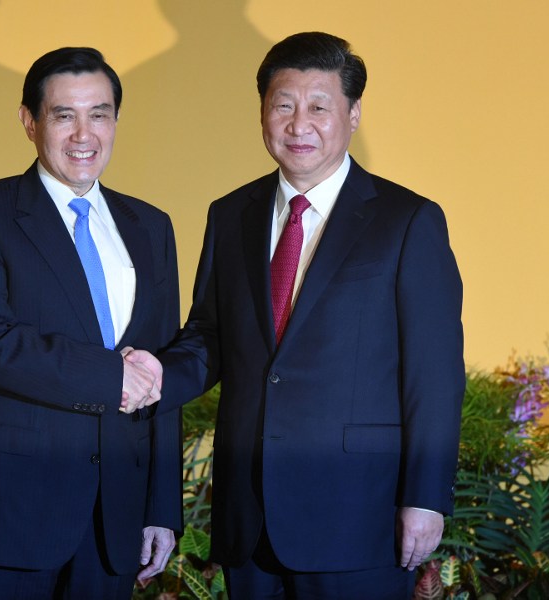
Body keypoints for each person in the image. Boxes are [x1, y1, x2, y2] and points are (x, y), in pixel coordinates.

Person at [132, 31, 465, 599]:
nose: (298, 123)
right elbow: (212, 337)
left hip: (360, 514)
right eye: (283, 105)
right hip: (249, 514)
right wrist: (152, 377)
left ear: (353, 114)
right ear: (262, 112)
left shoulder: (407, 221)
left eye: (319, 107)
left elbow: (434, 376)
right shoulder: (231, 213)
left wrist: (426, 497)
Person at [0, 47, 181, 599]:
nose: (83, 134)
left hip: (117, 517)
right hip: (15, 509)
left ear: (116, 120)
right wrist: (108, 376)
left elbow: (157, 368)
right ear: (29, 121)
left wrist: (162, 507)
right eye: (63, 115)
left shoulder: (151, 225)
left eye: (99, 114)